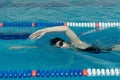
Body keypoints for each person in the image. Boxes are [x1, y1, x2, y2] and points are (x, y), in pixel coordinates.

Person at [28, 26, 118, 54]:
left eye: (60, 44)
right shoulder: (72, 48)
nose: (62, 47)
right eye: (59, 47)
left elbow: (66, 29)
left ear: (64, 41)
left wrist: (46, 30)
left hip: (109, 49)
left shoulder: (75, 43)